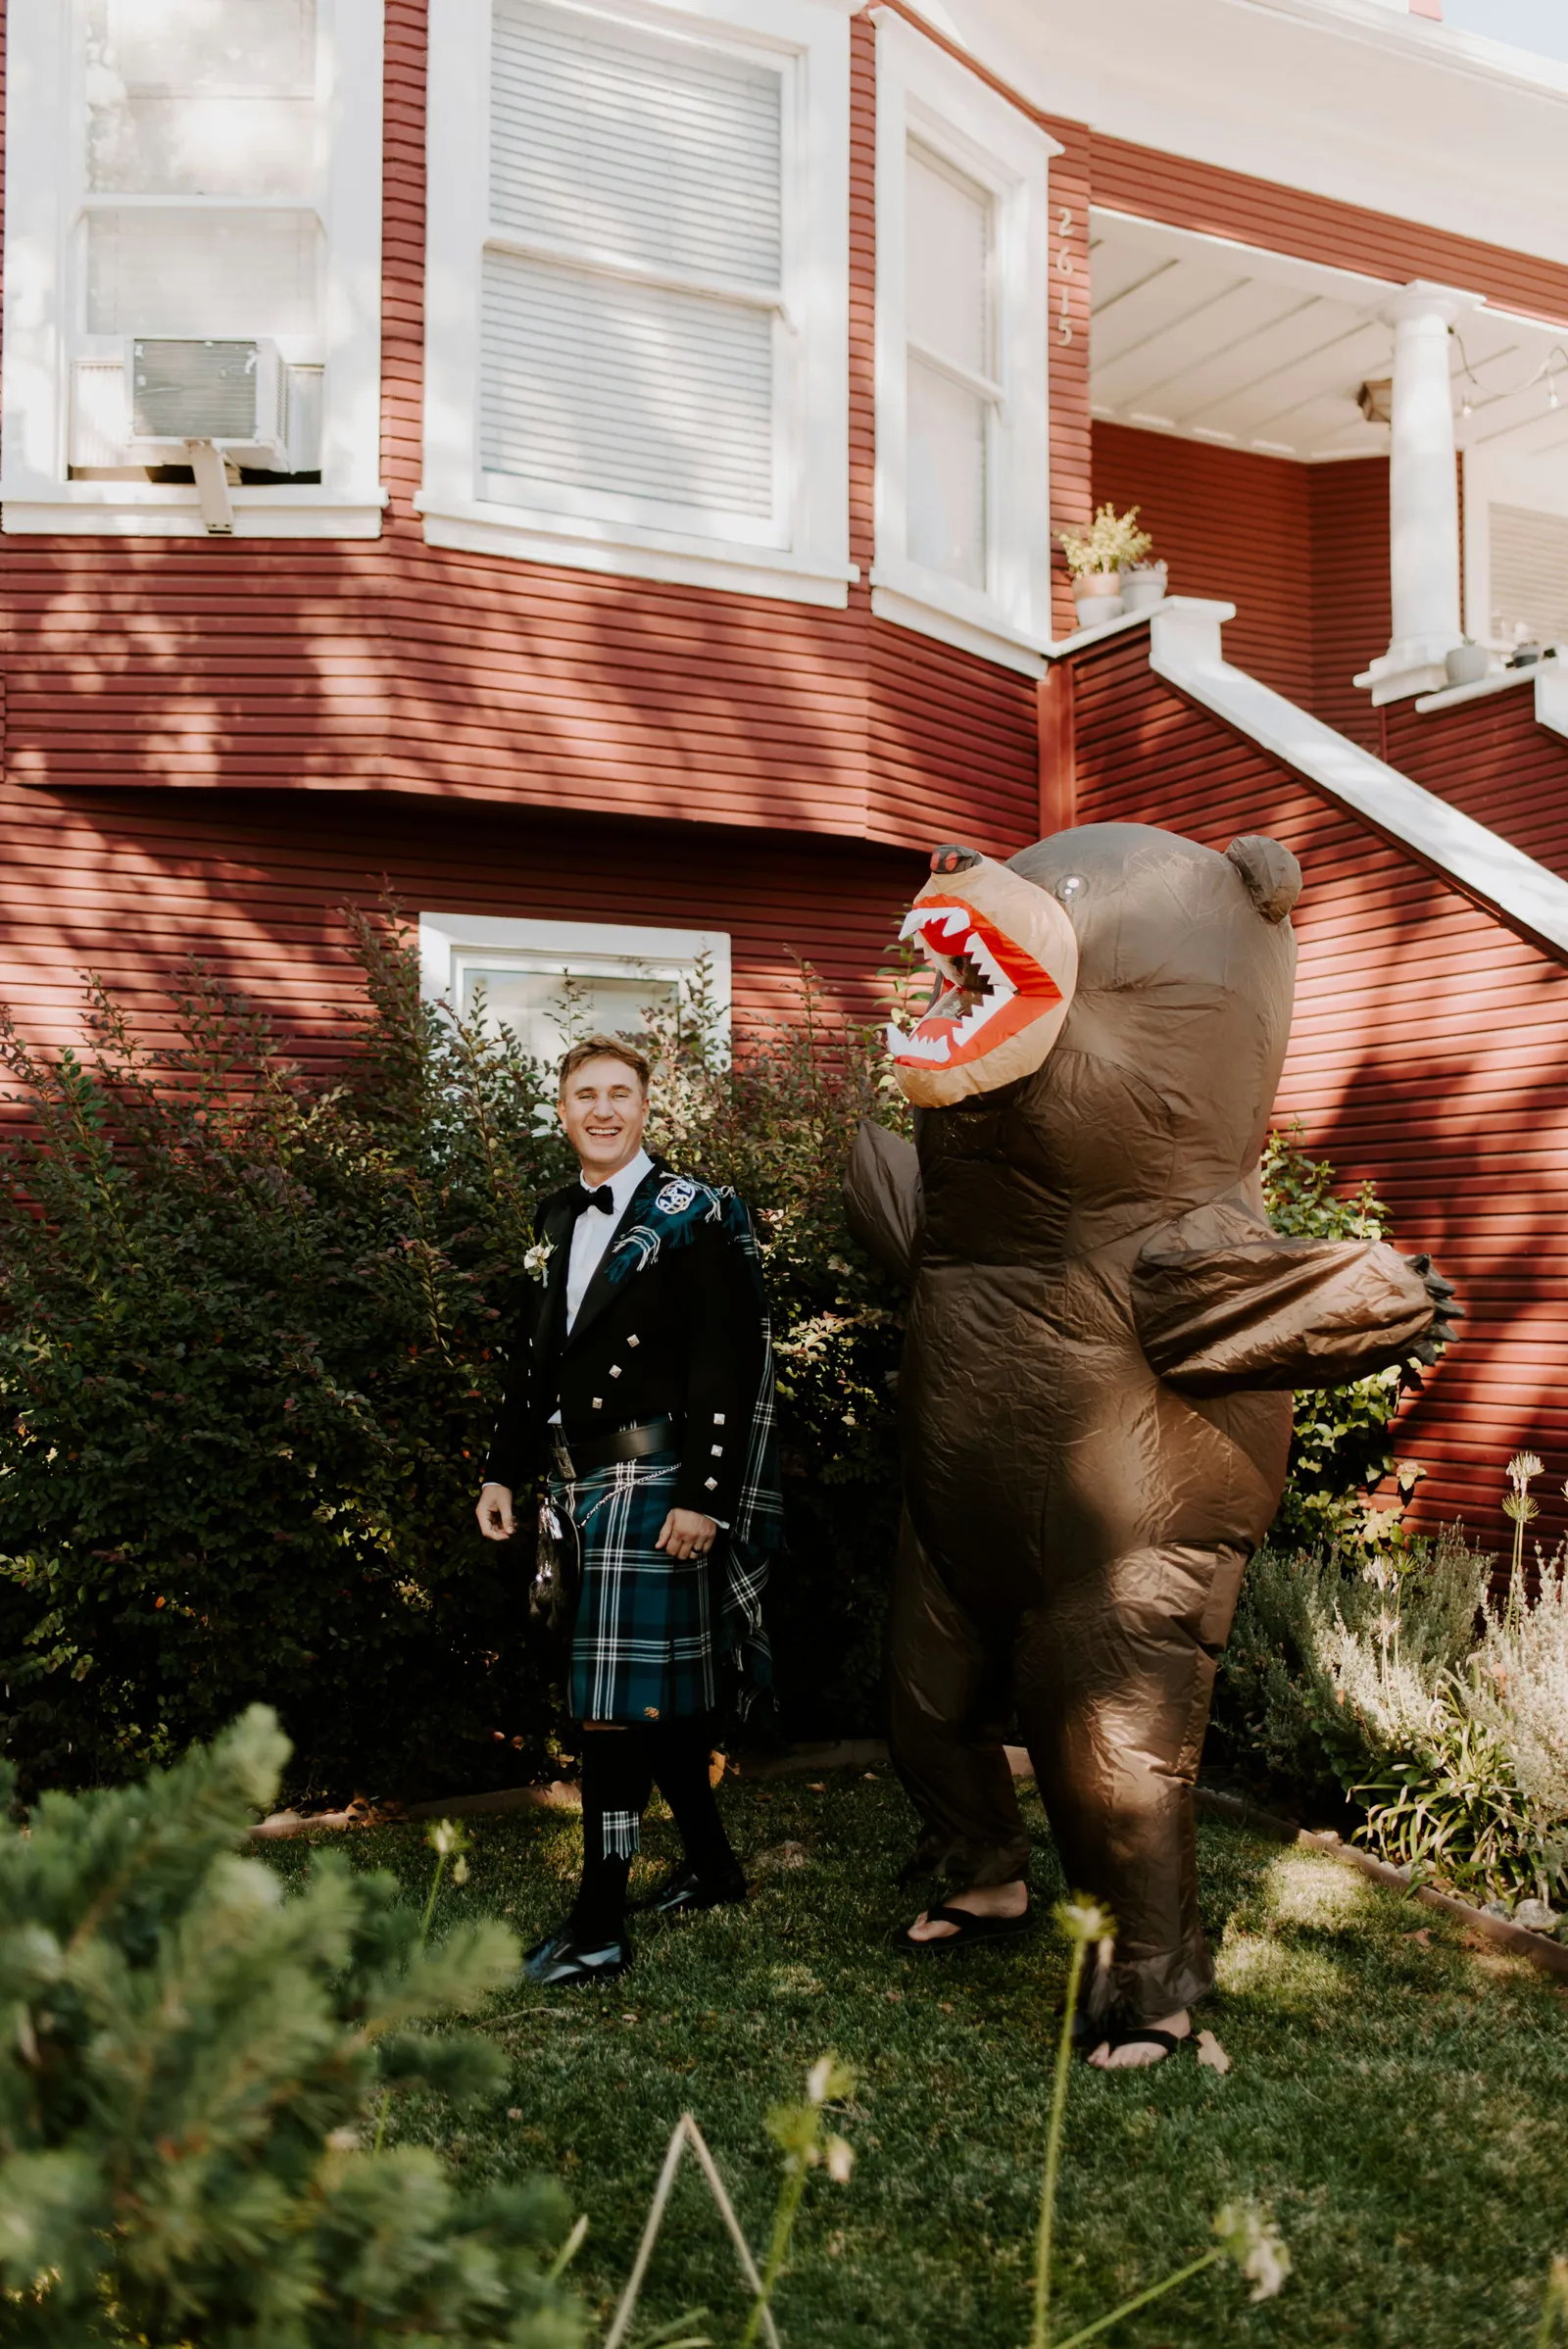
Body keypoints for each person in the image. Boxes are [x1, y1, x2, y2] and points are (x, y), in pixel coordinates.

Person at [477, 1035, 780, 1987]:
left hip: (653, 1484)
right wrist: (501, 1471)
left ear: (646, 1107)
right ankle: (714, 1867)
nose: (601, 1110)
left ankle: (598, 1924)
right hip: (576, 1486)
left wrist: (706, 1496)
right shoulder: (559, 1216)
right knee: (653, 1704)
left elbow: (726, 1364)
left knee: (608, 1713)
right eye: (583, 1095)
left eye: (618, 1094)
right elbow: (538, 1364)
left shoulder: (694, 1214)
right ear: (561, 1110)